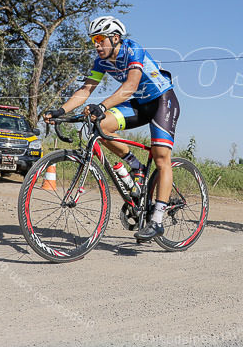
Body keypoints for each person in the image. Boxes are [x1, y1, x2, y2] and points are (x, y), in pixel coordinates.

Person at [43, 16, 179, 242]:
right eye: (93, 40)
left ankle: (156, 220)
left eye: (99, 39)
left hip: (162, 101)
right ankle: (136, 165)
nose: (96, 45)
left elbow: (131, 86)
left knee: (161, 157)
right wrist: (60, 110)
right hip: (139, 104)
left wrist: (102, 105)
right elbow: (85, 90)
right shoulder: (101, 62)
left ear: (115, 38)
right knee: (101, 125)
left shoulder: (133, 49)